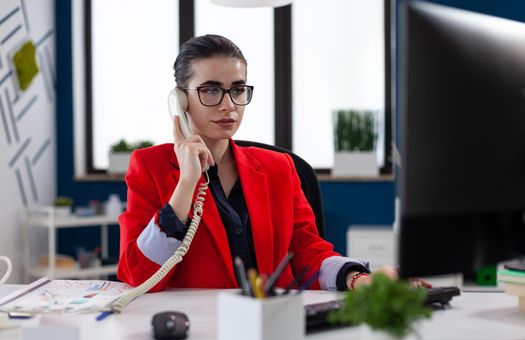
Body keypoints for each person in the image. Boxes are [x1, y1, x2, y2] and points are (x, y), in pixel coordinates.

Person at [117, 34, 426, 293]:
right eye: (210, 90)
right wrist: (186, 184)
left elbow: (307, 251)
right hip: (197, 331)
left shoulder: (278, 167)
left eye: (238, 89)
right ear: (181, 100)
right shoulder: (150, 166)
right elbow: (138, 275)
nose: (229, 105)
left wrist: (357, 279)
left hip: (274, 322)